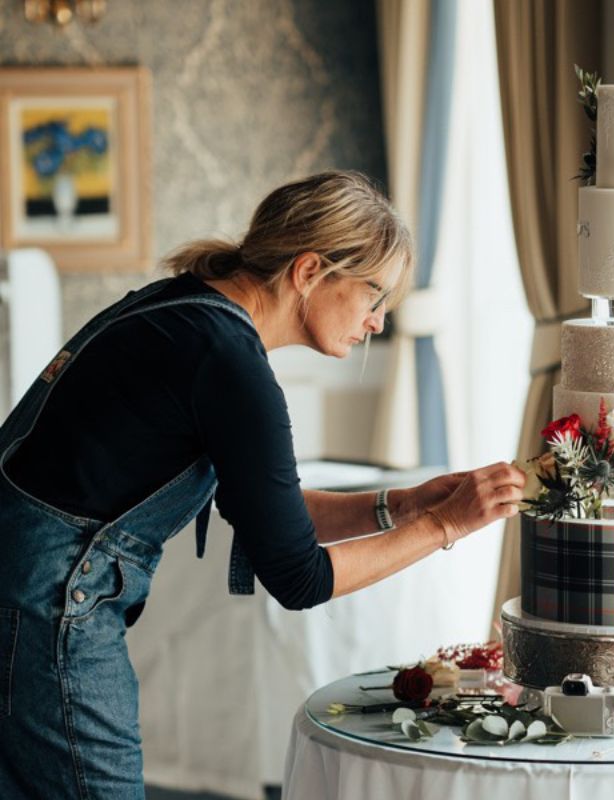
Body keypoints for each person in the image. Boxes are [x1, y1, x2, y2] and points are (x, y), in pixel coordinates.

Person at [0, 170, 525, 798]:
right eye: (374, 295)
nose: (379, 321)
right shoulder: (230, 363)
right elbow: (299, 577)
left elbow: (271, 515)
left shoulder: (181, 311)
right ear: (309, 272)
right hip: (50, 605)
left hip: (19, 586)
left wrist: (406, 504)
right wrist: (446, 526)